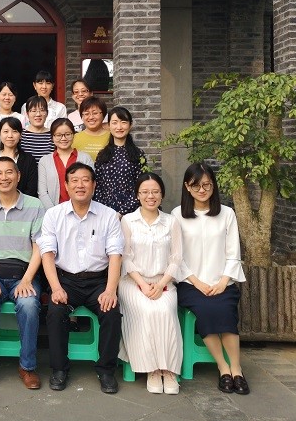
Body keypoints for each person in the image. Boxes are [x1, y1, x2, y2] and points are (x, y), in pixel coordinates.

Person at [38, 162, 123, 394]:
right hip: (66, 281)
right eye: (74, 180)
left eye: (86, 180)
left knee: (111, 312)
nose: (80, 185)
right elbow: (47, 254)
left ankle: (106, 370)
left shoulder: (108, 215)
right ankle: (59, 369)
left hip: (98, 282)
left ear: (94, 185)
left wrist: (110, 290)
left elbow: (115, 255)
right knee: (55, 312)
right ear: (66, 186)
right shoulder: (53, 215)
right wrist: (56, 288)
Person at [174, 163, 249, 395]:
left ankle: (237, 369)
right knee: (206, 310)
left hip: (222, 282)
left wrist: (223, 282)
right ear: (187, 187)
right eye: (196, 185)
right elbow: (176, 257)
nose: (202, 190)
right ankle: (223, 367)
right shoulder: (177, 215)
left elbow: (233, 253)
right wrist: (197, 283)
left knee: (225, 309)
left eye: (206, 185)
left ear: (213, 186)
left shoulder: (227, 214)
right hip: (191, 283)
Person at [0, 157, 45, 390]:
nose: (4, 178)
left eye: (9, 172)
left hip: (25, 273)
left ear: (18, 176)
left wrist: (27, 279)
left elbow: (39, 248)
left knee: (29, 305)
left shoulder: (35, 206)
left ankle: (27, 366)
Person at [119, 172, 183, 395]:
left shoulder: (171, 222)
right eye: (145, 192)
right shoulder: (128, 221)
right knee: (147, 311)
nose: (150, 196)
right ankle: (152, 369)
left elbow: (176, 258)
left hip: (164, 282)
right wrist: (143, 285)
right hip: (132, 282)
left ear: (162, 195)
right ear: (137, 195)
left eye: (155, 191)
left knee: (164, 311)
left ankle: (169, 369)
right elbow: (125, 257)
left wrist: (162, 283)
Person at [93, 106, 148, 216]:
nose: (119, 127)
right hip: (105, 214)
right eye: (114, 123)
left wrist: (123, 212)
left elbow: (141, 187)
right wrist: (106, 212)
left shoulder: (138, 155)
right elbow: (97, 187)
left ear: (130, 125)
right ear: (108, 126)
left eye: (123, 122)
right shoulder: (102, 155)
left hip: (132, 213)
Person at [37, 117, 93, 210]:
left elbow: (91, 187)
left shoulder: (85, 158)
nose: (63, 138)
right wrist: (54, 213)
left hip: (81, 210)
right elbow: (42, 193)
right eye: (58, 135)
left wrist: (78, 210)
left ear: (73, 135)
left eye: (67, 134)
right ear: (52, 137)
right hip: (53, 212)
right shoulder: (44, 161)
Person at [0, 116, 38, 198]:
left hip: (24, 204)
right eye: (6, 131)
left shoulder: (29, 160)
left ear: (20, 135)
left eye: (14, 131)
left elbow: (31, 189)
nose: (10, 135)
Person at [71, 96, 110, 161]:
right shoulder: (73, 138)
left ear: (104, 115)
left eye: (95, 113)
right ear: (81, 116)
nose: (91, 117)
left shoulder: (112, 137)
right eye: (86, 114)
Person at [20, 95, 54, 160]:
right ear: (27, 114)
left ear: (47, 113)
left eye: (42, 110)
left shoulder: (53, 135)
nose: (38, 114)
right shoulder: (21, 135)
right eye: (34, 111)